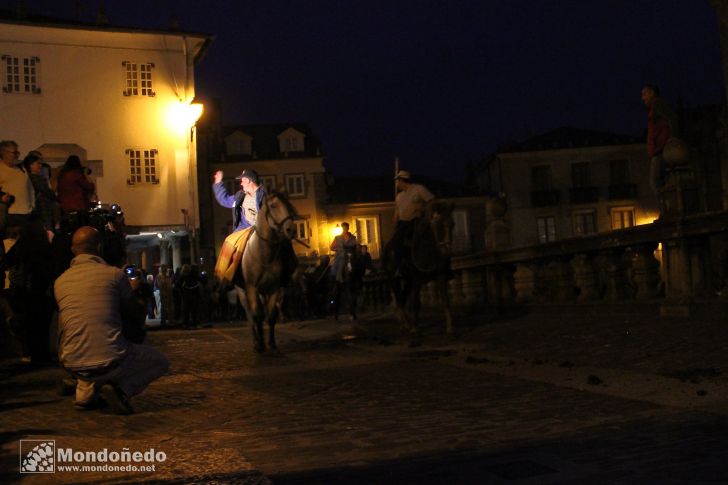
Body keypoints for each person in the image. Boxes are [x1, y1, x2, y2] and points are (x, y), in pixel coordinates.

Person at [55, 226, 169, 414]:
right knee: (160, 362)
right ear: (99, 248)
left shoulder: (60, 281)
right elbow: (134, 313)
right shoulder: (114, 275)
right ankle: (123, 389)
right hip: (110, 359)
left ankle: (86, 393)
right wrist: (132, 290)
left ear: (73, 250)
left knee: (88, 348)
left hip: (72, 362)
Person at [212, 169, 265, 286]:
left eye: (242, 181)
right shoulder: (240, 196)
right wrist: (218, 183)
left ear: (249, 181)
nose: (241, 184)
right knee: (229, 240)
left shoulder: (263, 195)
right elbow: (225, 200)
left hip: (261, 229)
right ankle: (221, 276)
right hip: (244, 228)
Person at [384, 170, 435, 269]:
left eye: (397, 181)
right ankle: (394, 266)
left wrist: (423, 210)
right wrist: (395, 219)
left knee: (404, 242)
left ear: (402, 180)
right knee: (391, 244)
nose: (396, 184)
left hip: (416, 221)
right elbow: (397, 211)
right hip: (402, 224)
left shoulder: (418, 189)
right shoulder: (399, 196)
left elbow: (431, 201)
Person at [641, 84, 678, 199]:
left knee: (655, 181)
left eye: (644, 94)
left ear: (652, 93)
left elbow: (672, 119)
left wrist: (672, 139)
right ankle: (666, 206)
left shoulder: (658, 104)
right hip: (660, 148)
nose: (643, 98)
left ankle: (665, 207)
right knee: (661, 180)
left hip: (661, 148)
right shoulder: (655, 107)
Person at [23, 151, 61, 239]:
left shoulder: (29, 178)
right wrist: (55, 197)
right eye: (38, 163)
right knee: (47, 231)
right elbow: (46, 191)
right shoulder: (35, 178)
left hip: (39, 208)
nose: (40, 166)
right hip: (42, 207)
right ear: (31, 165)